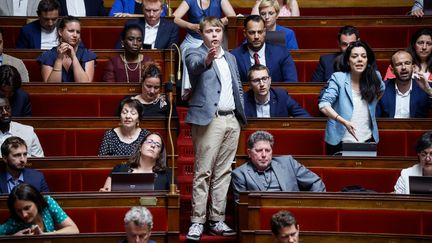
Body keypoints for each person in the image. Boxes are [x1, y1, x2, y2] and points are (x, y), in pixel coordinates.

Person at [184, 17, 246, 241]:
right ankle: (197, 221)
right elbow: (194, 67)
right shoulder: (194, 53)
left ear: (222, 33)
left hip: (232, 120)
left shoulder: (230, 57)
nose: (214, 35)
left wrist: (240, 117)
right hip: (210, 120)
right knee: (203, 172)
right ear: (202, 34)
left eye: (217, 30)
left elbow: (237, 86)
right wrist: (207, 59)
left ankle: (216, 219)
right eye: (209, 31)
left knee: (223, 172)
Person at [318, 41, 385, 155]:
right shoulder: (338, 78)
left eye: (363, 56)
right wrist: (343, 121)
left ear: (367, 60)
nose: (360, 59)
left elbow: (381, 91)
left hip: (367, 138)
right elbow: (323, 105)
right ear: (348, 61)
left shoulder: (375, 77)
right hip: (339, 140)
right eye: (355, 56)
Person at [231, 131, 325, 203]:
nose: (264, 155)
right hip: (263, 218)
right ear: (249, 153)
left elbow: (315, 182)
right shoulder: (240, 174)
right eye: (259, 150)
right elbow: (243, 207)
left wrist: (309, 205)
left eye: (267, 150)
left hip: (292, 214)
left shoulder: (288, 163)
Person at [173, 0, 236, 99]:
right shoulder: (190, 1)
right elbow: (174, 18)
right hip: (192, 40)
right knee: (188, 52)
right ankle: (189, 92)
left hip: (213, 37)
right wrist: (190, 26)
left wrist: (213, 25)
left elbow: (232, 16)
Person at [231, 15, 297, 83]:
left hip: (276, 93)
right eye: (252, 32)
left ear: (265, 32)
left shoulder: (282, 53)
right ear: (245, 33)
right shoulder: (234, 56)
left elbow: (291, 82)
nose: (256, 37)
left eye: (260, 32)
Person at [99, 132, 172, 191]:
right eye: (149, 141)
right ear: (140, 147)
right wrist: (103, 193)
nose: (153, 145)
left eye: (158, 145)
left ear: (159, 154)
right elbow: (106, 196)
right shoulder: (120, 169)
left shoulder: (167, 174)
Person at [0, 183, 79, 235]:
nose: (24, 215)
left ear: (36, 202)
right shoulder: (15, 221)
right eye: (19, 211)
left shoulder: (48, 203)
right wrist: (13, 237)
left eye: (27, 208)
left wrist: (45, 235)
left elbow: (74, 230)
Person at [37, 16, 96, 83]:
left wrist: (74, 57)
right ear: (60, 32)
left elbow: (84, 85)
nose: (75, 35)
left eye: (78, 32)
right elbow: (52, 87)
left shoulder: (88, 55)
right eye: (71, 31)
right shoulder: (47, 56)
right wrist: (59, 59)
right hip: (56, 93)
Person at [376, 50, 432, 118]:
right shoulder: (382, 88)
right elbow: (376, 119)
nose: (403, 67)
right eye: (399, 64)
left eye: (407, 63)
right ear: (392, 70)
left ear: (413, 67)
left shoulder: (425, 87)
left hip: (416, 128)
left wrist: (429, 91)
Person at [244, 64, 310, 117]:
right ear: (250, 84)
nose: (261, 84)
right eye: (256, 80)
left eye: (264, 79)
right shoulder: (243, 100)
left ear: (270, 80)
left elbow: (305, 117)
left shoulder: (281, 96)